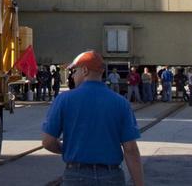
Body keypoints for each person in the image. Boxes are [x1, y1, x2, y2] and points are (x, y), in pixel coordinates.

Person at [42, 50, 145, 186]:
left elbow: (48, 142)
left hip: (76, 176)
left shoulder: (64, 100)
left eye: (75, 71)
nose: (73, 76)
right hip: (112, 177)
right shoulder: (120, 102)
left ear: (84, 70)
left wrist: (66, 149)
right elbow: (131, 150)